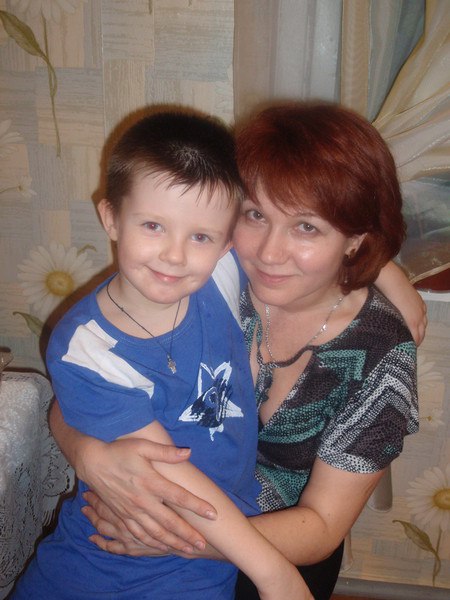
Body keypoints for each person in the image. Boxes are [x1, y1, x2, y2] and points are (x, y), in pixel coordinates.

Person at [48, 102, 422, 600]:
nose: (269, 252)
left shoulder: (380, 355)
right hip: (146, 527)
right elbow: (84, 386)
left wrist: (178, 540)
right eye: (256, 215)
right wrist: (89, 454)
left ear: (355, 238)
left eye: (307, 228)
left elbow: (322, 526)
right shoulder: (215, 275)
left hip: (277, 543)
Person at [11, 110, 312, 600]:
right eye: (153, 225)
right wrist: (275, 574)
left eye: (200, 236)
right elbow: (170, 475)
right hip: (106, 559)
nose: (175, 255)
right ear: (111, 218)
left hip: (199, 563)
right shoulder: (87, 348)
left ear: (227, 242)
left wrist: (390, 279)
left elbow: (325, 226)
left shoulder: (219, 275)